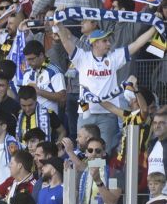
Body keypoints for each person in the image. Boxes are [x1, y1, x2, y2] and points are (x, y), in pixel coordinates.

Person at [57, 21, 158, 154]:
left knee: (104, 154)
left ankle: (100, 174)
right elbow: (65, 40)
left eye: (108, 41)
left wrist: (155, 26)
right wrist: (57, 23)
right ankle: (86, 174)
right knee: (84, 152)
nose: (109, 44)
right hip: (85, 112)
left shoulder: (114, 57)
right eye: (105, 41)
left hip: (108, 115)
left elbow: (137, 44)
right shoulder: (82, 57)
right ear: (95, 43)